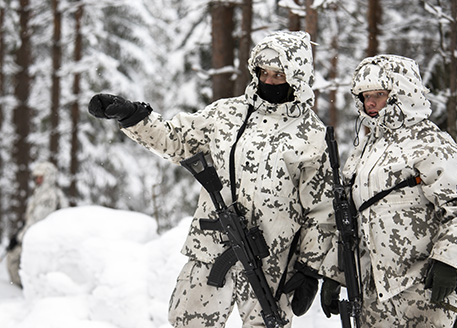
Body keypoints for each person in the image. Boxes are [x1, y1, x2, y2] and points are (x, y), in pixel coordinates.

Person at [88, 31, 336, 327]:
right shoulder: (226, 113)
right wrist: (132, 115)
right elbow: (174, 139)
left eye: (279, 74)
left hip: (271, 262)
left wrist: (310, 267)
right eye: (263, 73)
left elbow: (322, 211)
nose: (269, 81)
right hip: (211, 248)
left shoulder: (312, 135)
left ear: (297, 75)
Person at [320, 54, 457, 327]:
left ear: (401, 93)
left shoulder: (431, 143)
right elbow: (351, 218)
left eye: (379, 94)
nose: (369, 103)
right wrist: (334, 274)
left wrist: (449, 261)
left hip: (425, 288)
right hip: (374, 294)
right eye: (364, 95)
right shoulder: (365, 148)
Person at [6, 161, 69, 287]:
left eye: (41, 177)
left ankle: (26, 288)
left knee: (14, 258)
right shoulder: (41, 193)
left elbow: (38, 220)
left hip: (43, 239)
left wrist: (19, 239)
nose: (38, 180)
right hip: (38, 237)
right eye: (37, 177)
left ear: (48, 177)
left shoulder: (48, 196)